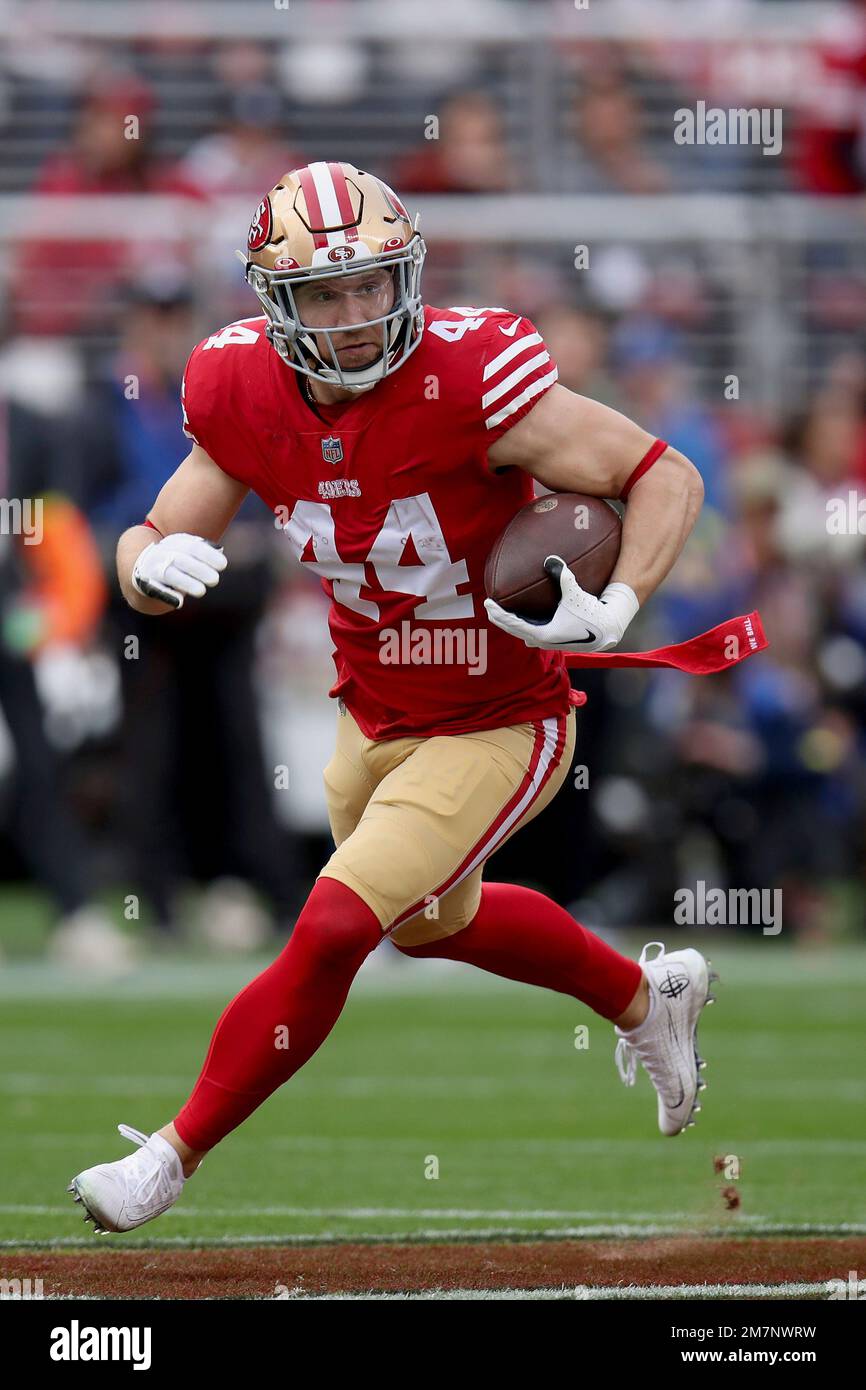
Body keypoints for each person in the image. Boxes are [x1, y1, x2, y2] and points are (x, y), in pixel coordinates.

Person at [67, 161, 714, 1233]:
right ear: (277, 302)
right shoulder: (236, 384)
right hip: (369, 714)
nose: (359, 314)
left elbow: (664, 473)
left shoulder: (470, 376)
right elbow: (157, 524)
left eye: (374, 284)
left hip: (502, 719)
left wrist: (620, 601)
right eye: (326, 293)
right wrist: (145, 567)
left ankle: (168, 1159)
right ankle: (652, 1000)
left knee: (331, 926)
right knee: (429, 926)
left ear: (408, 274)